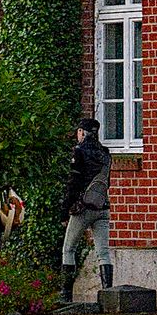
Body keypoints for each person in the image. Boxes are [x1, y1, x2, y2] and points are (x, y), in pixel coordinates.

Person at [60, 116, 113, 303]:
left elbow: (73, 184)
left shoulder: (79, 152)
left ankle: (65, 296)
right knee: (103, 252)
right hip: (103, 206)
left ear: (82, 132)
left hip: (83, 209)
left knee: (68, 249)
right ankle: (109, 294)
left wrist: (64, 210)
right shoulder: (105, 153)